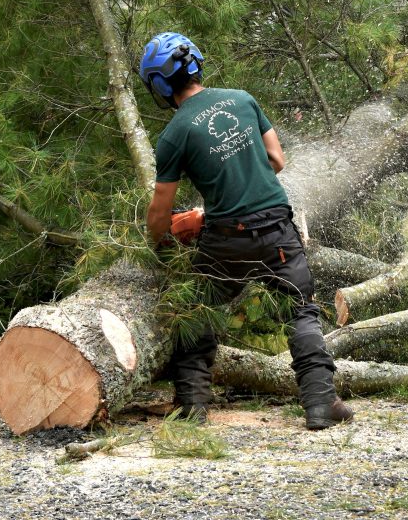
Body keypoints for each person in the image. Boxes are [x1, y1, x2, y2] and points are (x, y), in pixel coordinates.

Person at [140, 31, 353, 430]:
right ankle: (321, 404)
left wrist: (160, 244)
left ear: (159, 85)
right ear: (197, 64)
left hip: (224, 241)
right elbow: (277, 158)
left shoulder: (172, 135)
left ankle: (191, 406)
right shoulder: (242, 98)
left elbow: (160, 211)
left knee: (198, 310)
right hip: (276, 231)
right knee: (301, 311)